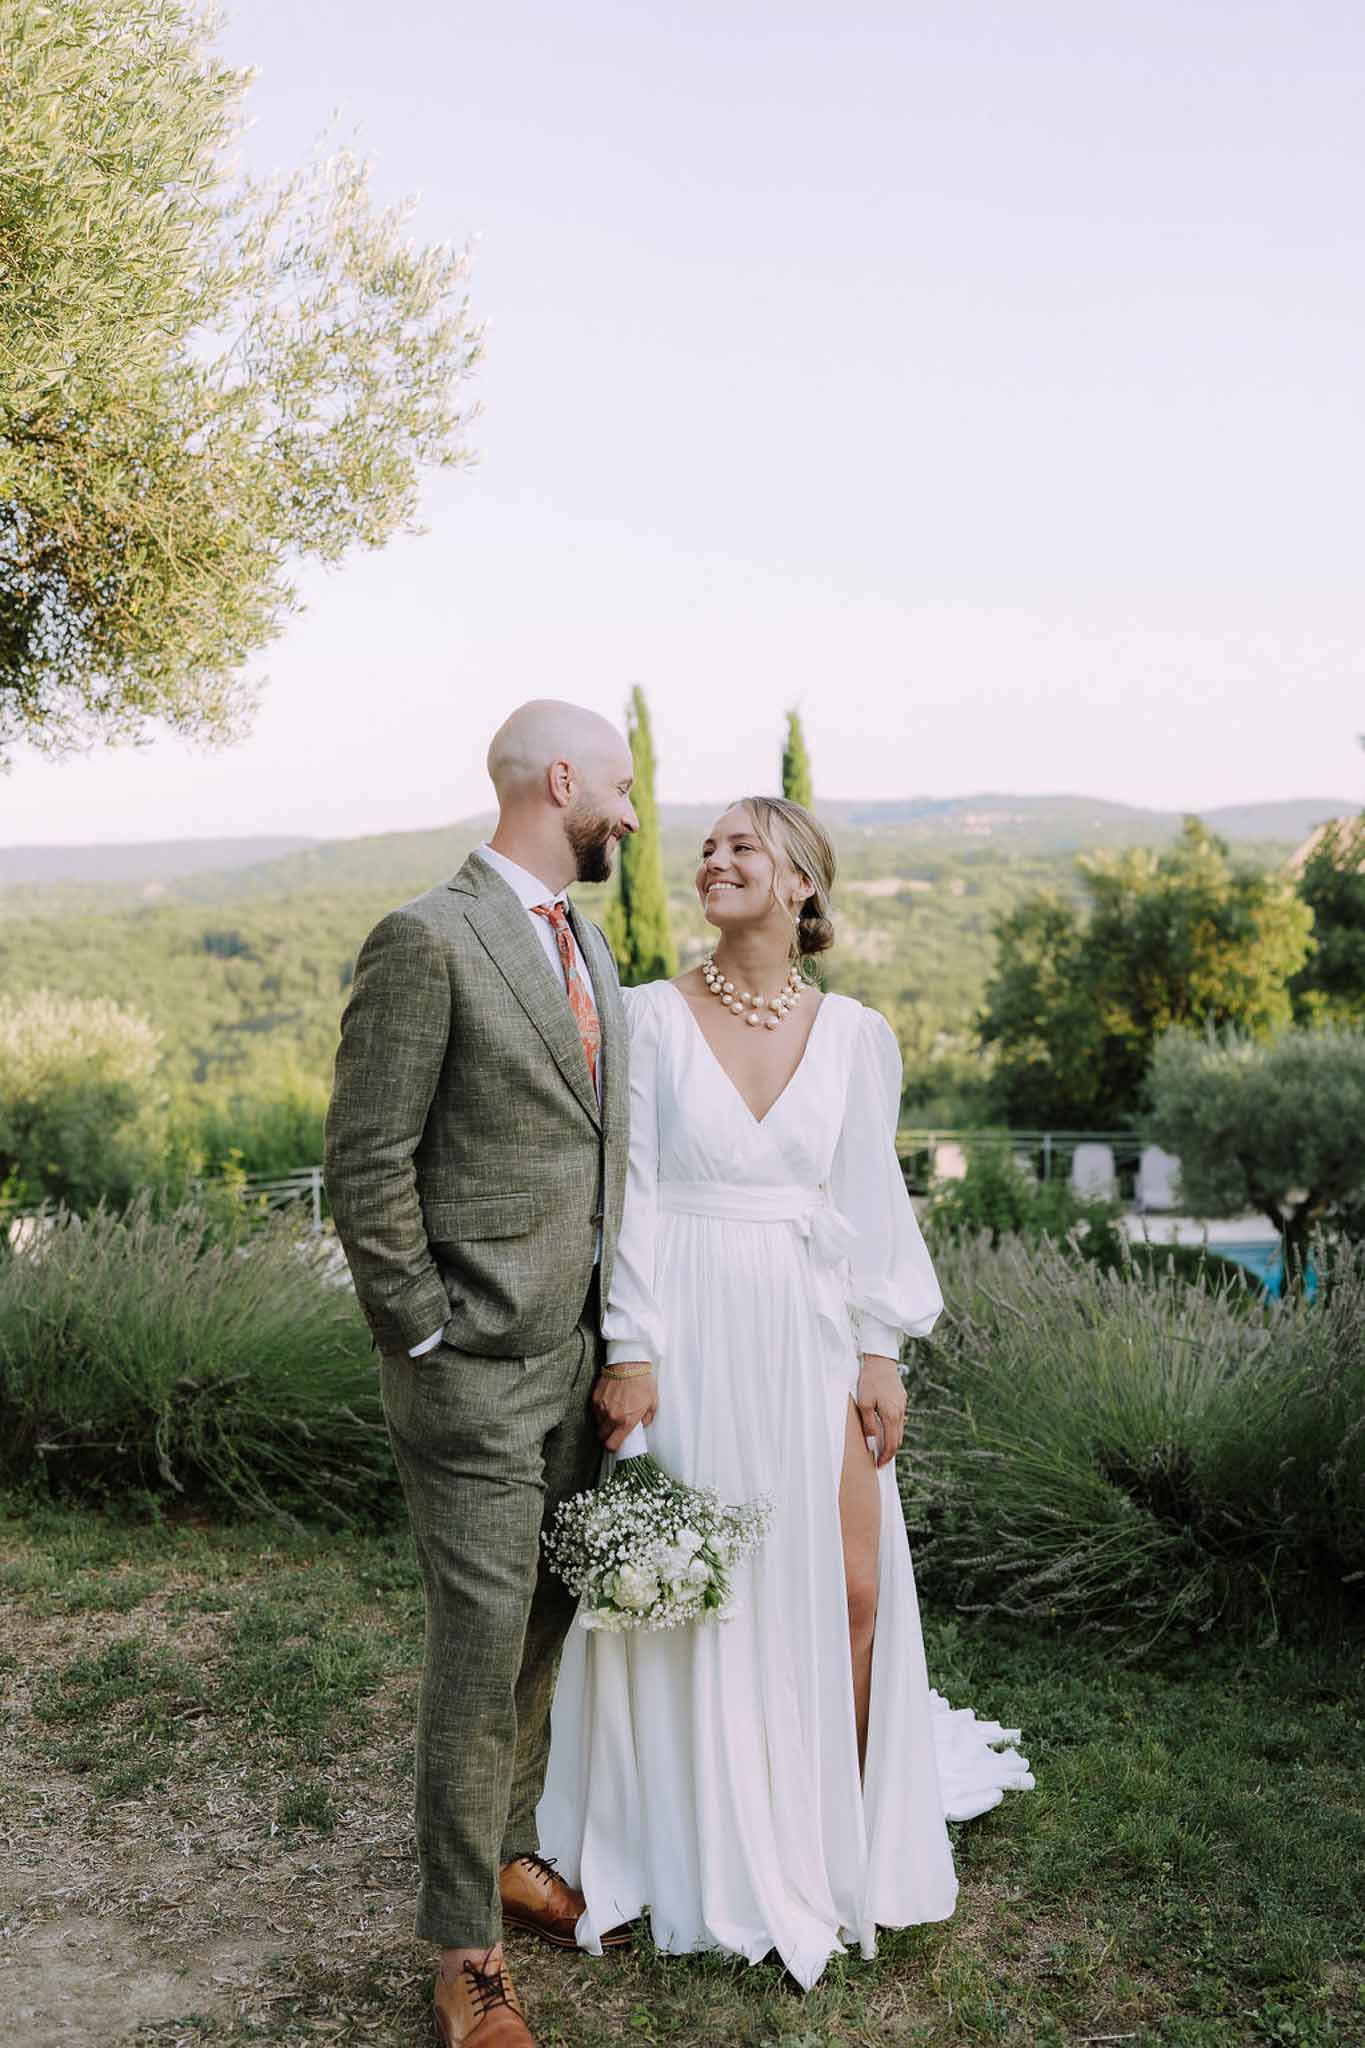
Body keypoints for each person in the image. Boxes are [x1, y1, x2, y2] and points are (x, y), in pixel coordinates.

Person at [539, 795, 1034, 1990]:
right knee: (696, 1585)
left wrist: (881, 1348)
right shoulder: (649, 1017)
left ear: (802, 882)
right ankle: (696, 1829)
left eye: (740, 845)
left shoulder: (858, 1033)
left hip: (812, 1330)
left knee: (852, 1585)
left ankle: (837, 1832)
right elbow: (637, 1196)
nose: (713, 858)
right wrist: (631, 1345)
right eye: (706, 846)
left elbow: (870, 1201)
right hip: (693, 1325)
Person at [325, 700, 657, 2048]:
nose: (632, 813)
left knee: (543, 1629)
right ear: (560, 780)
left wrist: (616, 1339)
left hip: (578, 1364)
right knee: (475, 1652)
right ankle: (463, 1952)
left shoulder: (590, 943)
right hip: (467, 1374)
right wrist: (424, 1333)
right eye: (621, 788)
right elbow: (365, 1161)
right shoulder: (427, 938)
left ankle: (508, 1850)